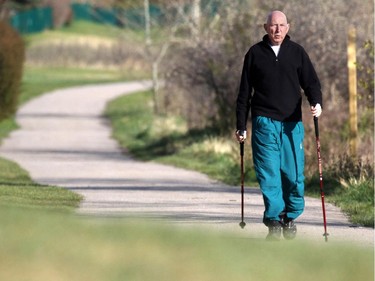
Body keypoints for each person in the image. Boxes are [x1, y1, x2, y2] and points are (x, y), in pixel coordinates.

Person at [235, 10, 323, 240]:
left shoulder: (297, 53)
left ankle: (290, 216)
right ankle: (274, 219)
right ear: (265, 27)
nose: (277, 30)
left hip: (291, 124)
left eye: (281, 25)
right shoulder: (254, 53)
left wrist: (317, 103)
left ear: (288, 27)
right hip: (264, 122)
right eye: (273, 26)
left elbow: (311, 82)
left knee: (293, 174)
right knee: (269, 173)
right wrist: (241, 125)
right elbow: (244, 93)